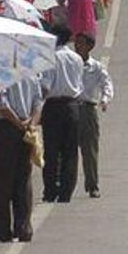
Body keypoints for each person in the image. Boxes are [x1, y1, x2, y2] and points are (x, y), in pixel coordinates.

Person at [0, 67, 40, 244]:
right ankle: (23, 227)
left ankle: (1, 228)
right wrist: (31, 122)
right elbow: (38, 100)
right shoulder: (30, 73)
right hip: (25, 128)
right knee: (22, 178)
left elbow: (1, 104)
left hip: (3, 128)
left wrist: (18, 123)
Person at [39, 27, 85, 204]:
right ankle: (66, 191)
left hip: (53, 106)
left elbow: (46, 86)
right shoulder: (76, 58)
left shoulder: (51, 57)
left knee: (51, 151)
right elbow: (79, 84)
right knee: (70, 151)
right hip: (72, 106)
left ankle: (50, 190)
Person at [72, 33, 112, 199]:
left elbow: (106, 83)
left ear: (89, 46)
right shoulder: (70, 64)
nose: (77, 46)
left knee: (90, 151)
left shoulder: (96, 67)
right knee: (68, 150)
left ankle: (92, 185)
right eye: (76, 43)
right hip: (71, 108)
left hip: (88, 110)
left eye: (81, 43)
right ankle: (66, 187)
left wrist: (105, 99)